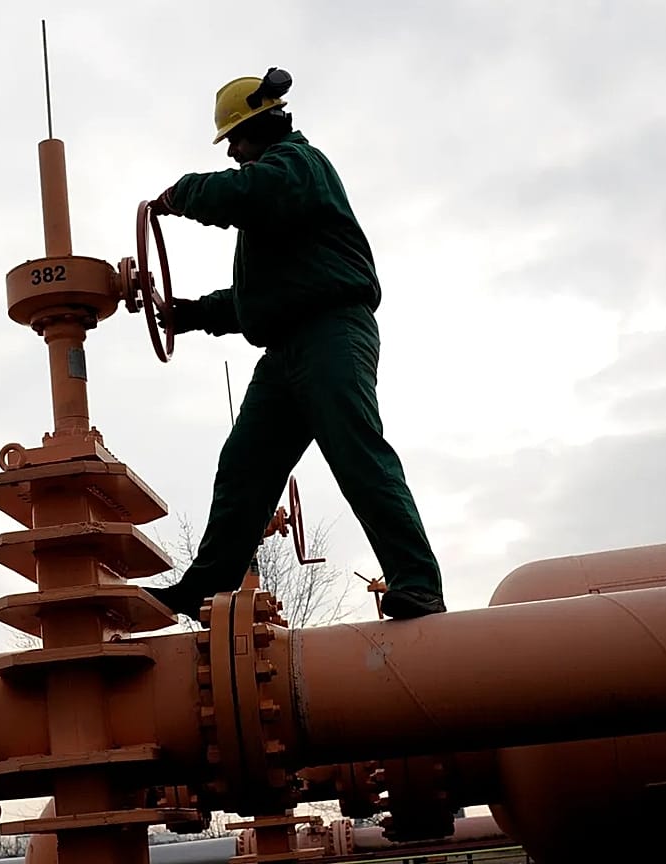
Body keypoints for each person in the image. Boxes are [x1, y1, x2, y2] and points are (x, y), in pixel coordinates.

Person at [143, 69, 446, 621]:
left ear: (262, 125)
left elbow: (243, 194)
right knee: (243, 468)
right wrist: (191, 314)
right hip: (286, 348)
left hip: (331, 332)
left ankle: (418, 583)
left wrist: (180, 195)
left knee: (356, 453)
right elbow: (260, 299)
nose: (232, 152)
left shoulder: (298, 168)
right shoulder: (279, 201)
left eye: (235, 138)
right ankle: (206, 589)